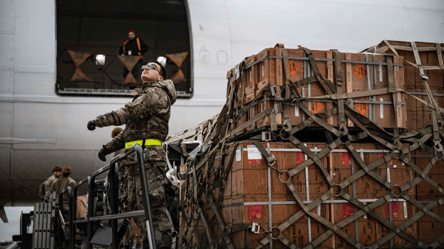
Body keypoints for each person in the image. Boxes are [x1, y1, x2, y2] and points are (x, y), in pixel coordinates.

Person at [87, 60, 176, 248]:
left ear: (160, 77)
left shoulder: (156, 93)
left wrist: (99, 121)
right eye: (145, 66)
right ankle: (149, 241)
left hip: (149, 158)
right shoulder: (145, 95)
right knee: (136, 205)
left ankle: (163, 244)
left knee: (153, 205)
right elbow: (128, 134)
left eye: (152, 67)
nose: (146, 68)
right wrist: (107, 148)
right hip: (137, 159)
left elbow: (127, 113)